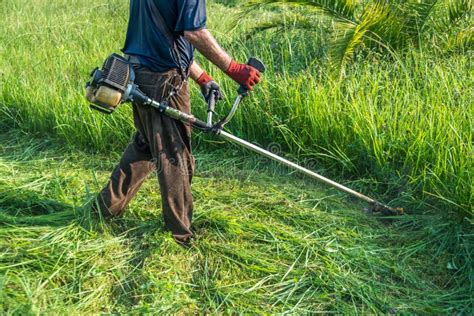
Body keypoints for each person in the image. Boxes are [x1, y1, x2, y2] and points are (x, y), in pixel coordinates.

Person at [93, 0, 261, 246]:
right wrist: (234, 68)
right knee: (175, 154)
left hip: (139, 73)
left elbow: (167, 37)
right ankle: (180, 234)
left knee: (147, 146)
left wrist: (202, 78)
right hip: (163, 81)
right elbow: (194, 32)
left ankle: (104, 209)